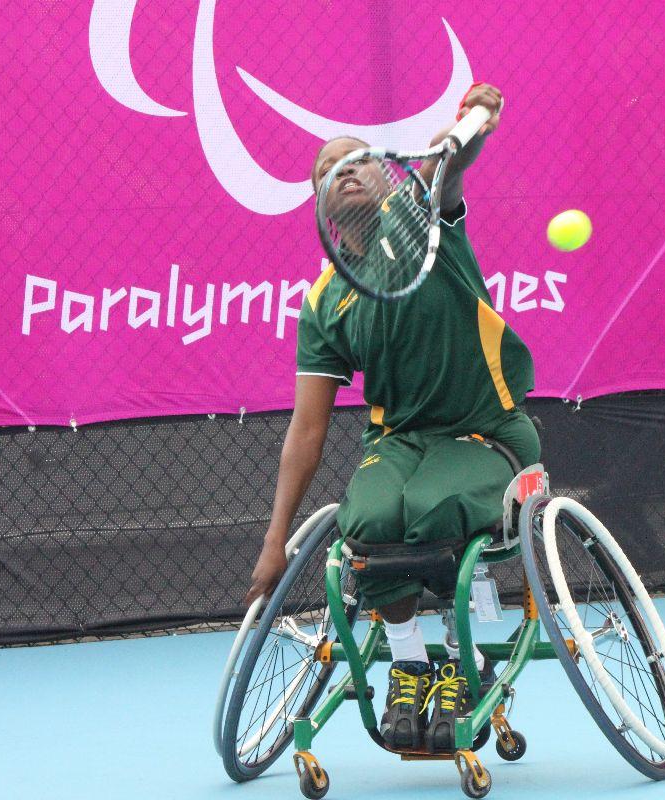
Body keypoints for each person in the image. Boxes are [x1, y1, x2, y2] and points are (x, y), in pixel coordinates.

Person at [245, 83, 540, 752]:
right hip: (400, 443)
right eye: (327, 168)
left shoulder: (421, 220)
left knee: (434, 509)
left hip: (486, 431)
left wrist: (477, 119)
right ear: (318, 203)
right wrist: (274, 541)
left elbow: (450, 163)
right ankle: (410, 663)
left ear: (388, 176)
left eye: (357, 159)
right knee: (368, 525)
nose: (343, 169)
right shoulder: (324, 302)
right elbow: (308, 430)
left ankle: (464, 664)